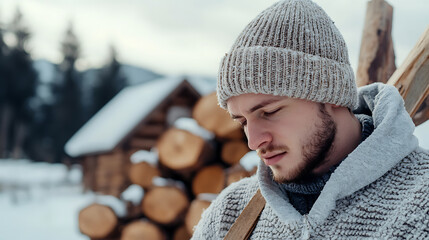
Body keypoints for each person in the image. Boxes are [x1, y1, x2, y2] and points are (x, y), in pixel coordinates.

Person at [191, 0, 429, 239]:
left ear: (331, 93)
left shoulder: (420, 201)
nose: (254, 142)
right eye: (242, 121)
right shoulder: (228, 215)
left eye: (270, 112)